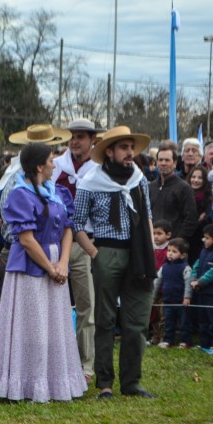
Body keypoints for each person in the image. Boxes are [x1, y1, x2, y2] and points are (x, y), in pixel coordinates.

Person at [0, 142, 86, 402]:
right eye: (51, 160)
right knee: (32, 326)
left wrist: (63, 263)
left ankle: (53, 383)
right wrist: (49, 267)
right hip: (31, 265)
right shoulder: (20, 194)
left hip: (54, 259)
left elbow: (67, 228)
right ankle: (25, 384)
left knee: (55, 324)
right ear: (40, 166)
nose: (55, 164)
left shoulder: (59, 192)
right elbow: (27, 239)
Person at [73, 126, 157, 399]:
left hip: (139, 252)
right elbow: (77, 224)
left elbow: (147, 216)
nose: (130, 153)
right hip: (107, 250)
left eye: (131, 147)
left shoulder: (138, 178)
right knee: (105, 320)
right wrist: (95, 253)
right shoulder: (90, 181)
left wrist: (150, 249)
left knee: (137, 321)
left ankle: (132, 383)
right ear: (109, 151)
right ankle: (105, 383)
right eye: (123, 147)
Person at [51, 119, 98, 382]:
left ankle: (85, 365)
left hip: (84, 243)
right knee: (51, 303)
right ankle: (56, 360)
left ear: (93, 140)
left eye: (81, 136)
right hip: (54, 243)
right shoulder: (56, 165)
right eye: (72, 136)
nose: (75, 141)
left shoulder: (98, 170)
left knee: (86, 304)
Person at [149, 146, 198, 239]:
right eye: (160, 160)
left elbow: (190, 220)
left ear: (174, 163)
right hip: (152, 246)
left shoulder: (184, 188)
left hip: (173, 248)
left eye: (167, 160)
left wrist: (177, 242)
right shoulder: (150, 187)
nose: (163, 163)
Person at [154, 237, 192, 348]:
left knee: (184, 323)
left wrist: (187, 297)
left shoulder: (185, 268)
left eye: (174, 252)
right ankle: (168, 340)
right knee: (168, 322)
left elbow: (188, 283)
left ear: (183, 255)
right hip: (167, 300)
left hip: (181, 302)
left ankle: (185, 341)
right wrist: (153, 296)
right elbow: (157, 281)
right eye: (169, 250)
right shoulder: (164, 267)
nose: (170, 254)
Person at [149, 220, 173, 345]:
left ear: (168, 235)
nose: (156, 236)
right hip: (152, 288)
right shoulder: (151, 249)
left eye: (159, 233)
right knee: (153, 315)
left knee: (164, 315)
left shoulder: (171, 250)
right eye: (154, 233)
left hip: (165, 289)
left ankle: (165, 338)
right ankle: (155, 337)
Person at [186, 166, 213, 261]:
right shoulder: (184, 194)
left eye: (200, 178)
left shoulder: (209, 198)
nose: (195, 180)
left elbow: (207, 219)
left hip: (199, 239)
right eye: (193, 177)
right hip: (185, 237)